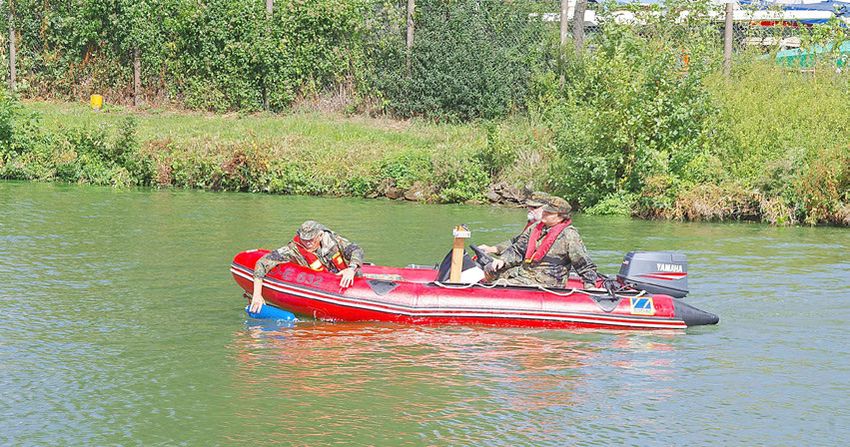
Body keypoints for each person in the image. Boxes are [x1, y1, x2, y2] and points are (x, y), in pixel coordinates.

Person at [249, 220, 364, 313]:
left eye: (311, 239)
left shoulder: (333, 240)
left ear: (320, 235)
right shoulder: (293, 249)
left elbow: (356, 250)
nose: (307, 243)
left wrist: (351, 269)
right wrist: (257, 295)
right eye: (304, 239)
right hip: (320, 286)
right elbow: (262, 263)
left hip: (346, 279)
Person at [486, 196, 599, 288]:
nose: (544, 213)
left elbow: (584, 264)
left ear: (561, 217)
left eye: (549, 213)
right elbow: (518, 249)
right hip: (526, 273)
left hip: (548, 280)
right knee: (489, 270)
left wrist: (590, 286)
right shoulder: (535, 227)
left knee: (500, 285)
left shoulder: (569, 235)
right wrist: (503, 260)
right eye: (545, 210)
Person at [477, 192, 550, 256]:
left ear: (547, 209)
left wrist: (504, 261)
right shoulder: (532, 225)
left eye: (534, 207)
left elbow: (521, 250)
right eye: (528, 206)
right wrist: (494, 249)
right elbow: (516, 241)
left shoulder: (550, 229)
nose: (529, 210)